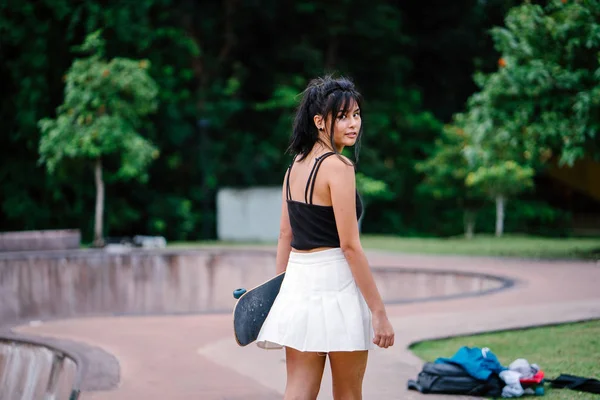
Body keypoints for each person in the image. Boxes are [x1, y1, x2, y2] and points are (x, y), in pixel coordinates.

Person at [256, 75, 395, 400]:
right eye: (343, 116)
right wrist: (379, 312)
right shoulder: (339, 167)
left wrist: (279, 293)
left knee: (298, 391)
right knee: (348, 393)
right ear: (319, 121)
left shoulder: (294, 169)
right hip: (336, 286)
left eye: (356, 114)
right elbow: (349, 246)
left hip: (299, 285)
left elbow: (284, 236)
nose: (353, 124)